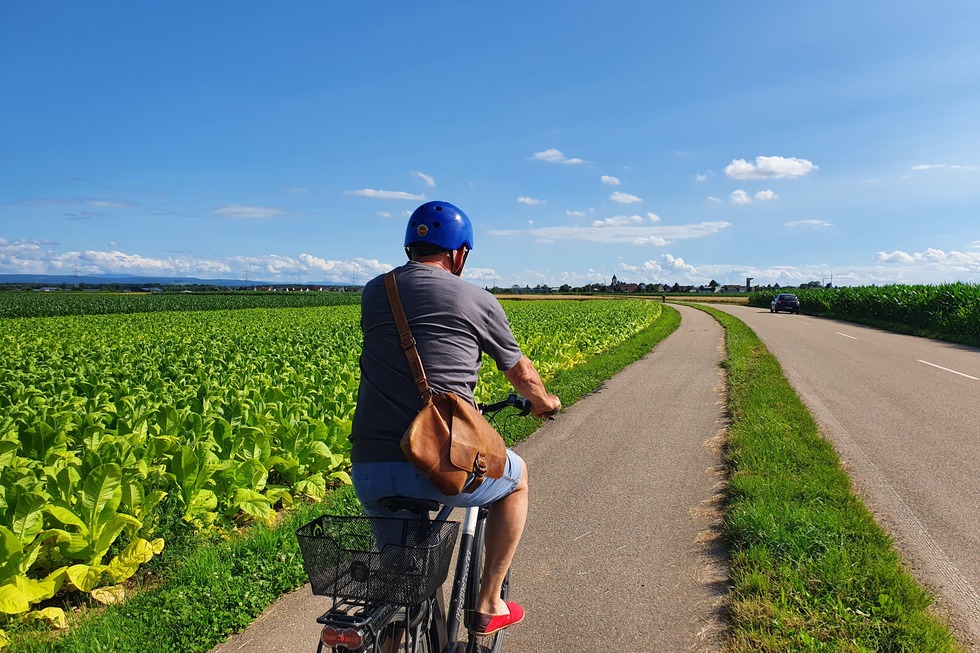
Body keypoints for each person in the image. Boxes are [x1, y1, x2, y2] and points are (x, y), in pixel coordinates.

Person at [350, 200, 561, 636]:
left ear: (411, 246)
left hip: (369, 467)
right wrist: (544, 402)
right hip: (438, 464)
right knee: (517, 480)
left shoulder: (374, 291)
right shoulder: (476, 298)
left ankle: (395, 629)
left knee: (402, 586)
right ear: (459, 254)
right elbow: (520, 373)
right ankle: (488, 602)